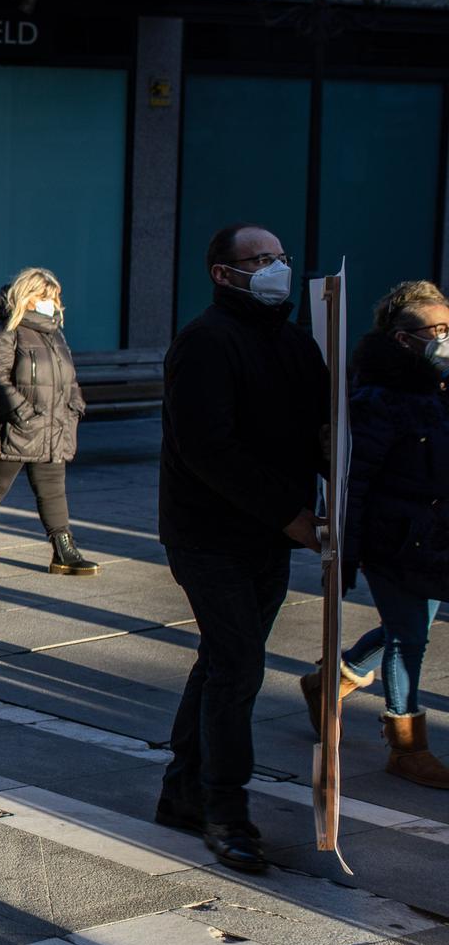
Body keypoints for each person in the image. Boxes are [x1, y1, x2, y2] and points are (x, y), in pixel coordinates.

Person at [157, 223, 326, 874]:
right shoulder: (204, 343)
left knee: (223, 660)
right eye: (258, 260)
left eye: (279, 258)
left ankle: (182, 791)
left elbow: (317, 431)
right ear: (223, 273)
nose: (274, 268)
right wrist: (292, 516)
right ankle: (225, 809)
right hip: (209, 536)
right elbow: (208, 450)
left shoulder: (295, 345)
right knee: (239, 664)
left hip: (265, 537)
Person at [295, 282, 449, 790]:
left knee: (407, 629)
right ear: (406, 339)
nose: (447, 339)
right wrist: (345, 552)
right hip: (395, 537)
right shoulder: (378, 395)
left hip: (435, 536)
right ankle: (407, 745)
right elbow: (353, 480)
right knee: (409, 638)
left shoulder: (440, 386)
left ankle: (329, 682)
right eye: (440, 331)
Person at [0, 267, 99, 575]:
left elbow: (68, 378)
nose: (53, 302)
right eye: (45, 296)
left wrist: (75, 405)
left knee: (53, 489)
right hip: (14, 427)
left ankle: (64, 550)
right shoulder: (3, 331)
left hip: (52, 427)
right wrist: (21, 414)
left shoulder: (54, 335)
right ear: (27, 296)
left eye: (55, 296)